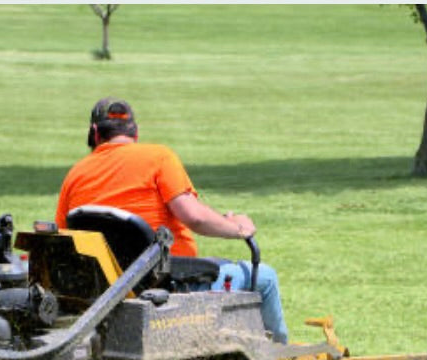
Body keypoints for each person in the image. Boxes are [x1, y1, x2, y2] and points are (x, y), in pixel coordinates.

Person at [55, 97, 289, 344]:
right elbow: (195, 217)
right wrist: (238, 227)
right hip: (171, 287)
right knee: (265, 277)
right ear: (135, 132)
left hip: (106, 291)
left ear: (94, 133)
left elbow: (63, 239)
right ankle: (277, 358)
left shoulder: (75, 175)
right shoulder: (158, 157)